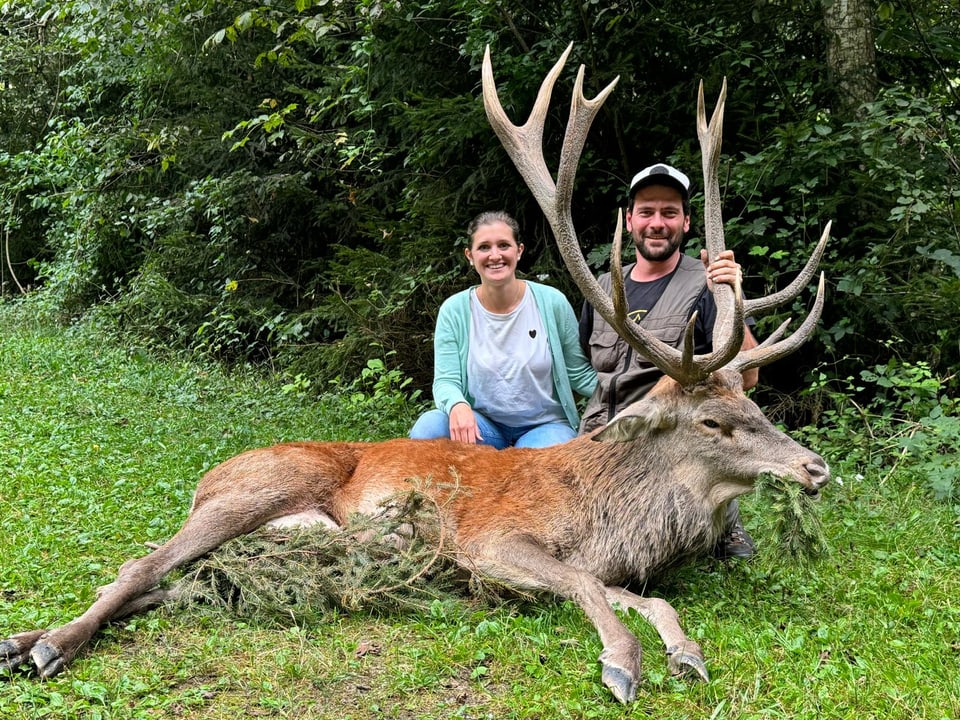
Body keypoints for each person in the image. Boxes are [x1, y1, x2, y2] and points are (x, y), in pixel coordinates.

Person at [578, 163, 759, 559]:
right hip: (601, 433)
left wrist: (731, 293)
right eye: (646, 212)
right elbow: (589, 365)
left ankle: (726, 520)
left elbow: (748, 378)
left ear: (687, 222)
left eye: (669, 213)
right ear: (629, 221)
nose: (656, 223)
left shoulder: (706, 284)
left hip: (669, 438)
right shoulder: (603, 286)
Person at [409, 211, 597, 449]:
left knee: (537, 468)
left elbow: (578, 373)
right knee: (430, 428)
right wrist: (458, 405)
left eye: (504, 245)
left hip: (545, 426)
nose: (494, 255)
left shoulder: (552, 302)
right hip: (484, 427)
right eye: (484, 247)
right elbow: (446, 381)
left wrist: (630, 392)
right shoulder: (454, 310)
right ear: (470, 255)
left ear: (519, 251)